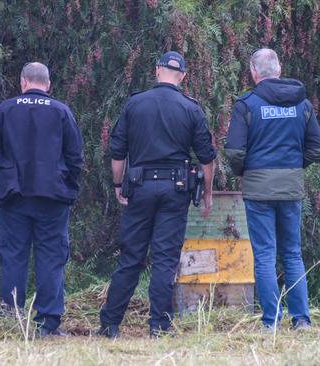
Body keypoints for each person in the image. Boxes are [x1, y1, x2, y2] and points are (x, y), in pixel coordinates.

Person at [97, 51, 216, 338]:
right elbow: (207, 158)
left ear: (156, 70)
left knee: (131, 257)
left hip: (140, 188)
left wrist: (117, 185)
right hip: (175, 191)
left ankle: (110, 325)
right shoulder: (191, 109)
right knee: (165, 259)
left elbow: (117, 152)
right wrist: (208, 194)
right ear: (183, 76)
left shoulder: (135, 104)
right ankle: (159, 327)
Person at [0, 62, 84, 338]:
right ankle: (47, 323)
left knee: (13, 255)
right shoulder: (61, 111)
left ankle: (11, 318)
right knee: (51, 257)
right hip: (53, 197)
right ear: (47, 84)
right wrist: (69, 187)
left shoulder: (5, 110)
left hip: (14, 196)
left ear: (23, 82)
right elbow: (76, 158)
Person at [225, 48, 320, 330]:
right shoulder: (302, 104)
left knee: (265, 255)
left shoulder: (246, 105)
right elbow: (318, 149)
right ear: (279, 69)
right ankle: (302, 319)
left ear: (254, 73)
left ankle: (270, 322)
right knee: (293, 253)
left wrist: (244, 172)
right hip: (291, 188)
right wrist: (295, 166)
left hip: (258, 190)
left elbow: (234, 151)